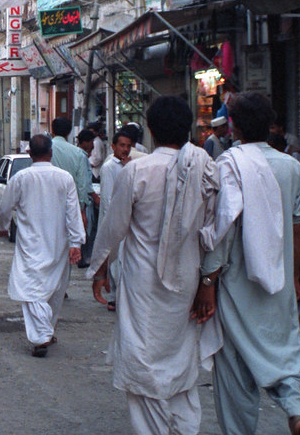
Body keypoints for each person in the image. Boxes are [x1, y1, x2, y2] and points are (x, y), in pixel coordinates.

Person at [85, 97, 219, 435]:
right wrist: (208, 283)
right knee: (180, 356)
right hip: (188, 278)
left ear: (151, 130)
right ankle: (185, 427)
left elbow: (113, 229)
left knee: (143, 360)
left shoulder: (138, 171)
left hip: (143, 283)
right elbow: (219, 232)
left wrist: (100, 270)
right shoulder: (205, 168)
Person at [194, 92, 300, 435]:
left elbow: (222, 232)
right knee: (281, 354)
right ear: (271, 124)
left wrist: (207, 283)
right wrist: (293, 276)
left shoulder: (228, 164)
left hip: (237, 284)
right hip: (277, 281)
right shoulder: (291, 166)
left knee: (234, 367)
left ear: (233, 126)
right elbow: (296, 226)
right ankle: (296, 412)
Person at [0, 134, 87, 357]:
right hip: (58, 243)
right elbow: (73, 212)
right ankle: (45, 331)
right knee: (54, 289)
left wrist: (1, 225)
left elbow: (5, 207)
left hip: (31, 244)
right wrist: (76, 242)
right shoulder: (64, 178)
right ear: (51, 153)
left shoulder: (21, 178)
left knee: (32, 289)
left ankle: (41, 336)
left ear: (30, 154)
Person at [95, 128, 135, 308]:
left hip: (127, 220)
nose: (125, 149)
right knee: (115, 261)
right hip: (115, 220)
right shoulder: (109, 167)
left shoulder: (129, 166)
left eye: (128, 146)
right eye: (122, 145)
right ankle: (114, 297)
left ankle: (120, 296)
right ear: (113, 147)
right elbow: (108, 200)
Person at [50, 117, 94, 266]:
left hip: (47, 206)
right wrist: (82, 212)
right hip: (71, 207)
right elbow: (83, 186)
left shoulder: (44, 149)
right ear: (69, 132)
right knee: (67, 249)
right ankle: (60, 285)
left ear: (52, 130)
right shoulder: (78, 154)